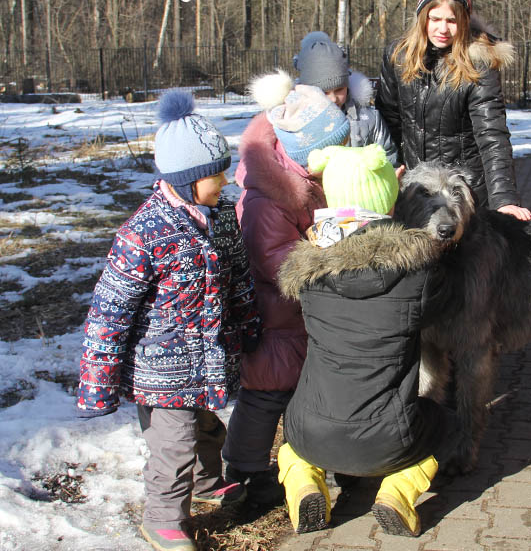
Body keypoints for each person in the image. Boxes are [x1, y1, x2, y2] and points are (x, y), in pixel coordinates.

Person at [76, 90, 261, 551]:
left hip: (203, 359)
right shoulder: (144, 233)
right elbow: (109, 311)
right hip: (158, 370)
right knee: (173, 445)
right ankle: (162, 518)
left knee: (205, 428)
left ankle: (205, 483)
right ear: (187, 178)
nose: (225, 180)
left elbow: (237, 275)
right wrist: (98, 382)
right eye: (215, 174)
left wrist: (249, 321)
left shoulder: (219, 220)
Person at [275, 144, 456, 537]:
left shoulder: (307, 275)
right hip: (387, 440)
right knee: (445, 424)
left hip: (308, 431)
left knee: (292, 446)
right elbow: (447, 309)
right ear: (388, 201)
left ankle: (305, 479)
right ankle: (396, 492)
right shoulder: (418, 274)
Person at [220, 72, 351, 505]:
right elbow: (277, 262)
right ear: (303, 153)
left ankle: (317, 463)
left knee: (307, 393)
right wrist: (325, 258)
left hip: (300, 315)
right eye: (332, 149)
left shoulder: (308, 182)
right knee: (264, 398)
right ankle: (244, 470)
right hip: (272, 317)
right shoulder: (264, 201)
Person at [375, 0, 531, 221]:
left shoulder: (478, 64)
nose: (443, 29)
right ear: (422, 16)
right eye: (435, 19)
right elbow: (387, 122)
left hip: (464, 196)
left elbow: (491, 135)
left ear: (464, 21)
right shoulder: (398, 57)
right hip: (413, 192)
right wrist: (389, 170)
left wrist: (504, 199)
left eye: (452, 21)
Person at [293, 31, 399, 165]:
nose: (333, 99)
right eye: (324, 92)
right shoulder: (294, 123)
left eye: (339, 90)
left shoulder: (368, 118)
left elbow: (387, 153)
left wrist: (391, 174)